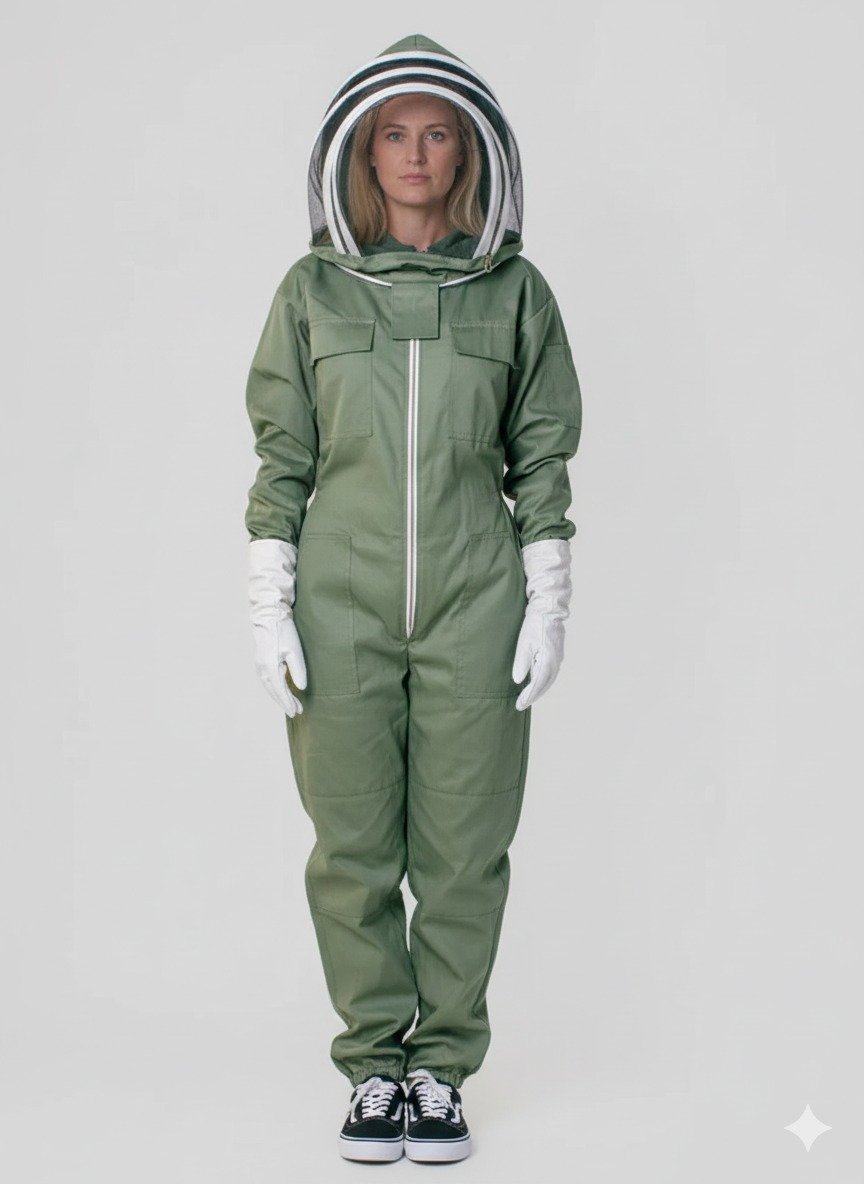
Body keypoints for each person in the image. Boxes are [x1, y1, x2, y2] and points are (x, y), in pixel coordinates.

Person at [244, 32, 583, 1165]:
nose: (416, 153)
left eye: (438, 132)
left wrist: (549, 589)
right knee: (350, 849)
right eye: (395, 133)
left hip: (476, 599)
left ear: (470, 151)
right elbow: (284, 451)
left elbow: (541, 451)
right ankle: (372, 1072)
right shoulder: (312, 293)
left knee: (464, 850)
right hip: (338, 602)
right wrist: (268, 587)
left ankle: (438, 1071)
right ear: (361, 151)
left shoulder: (516, 293)